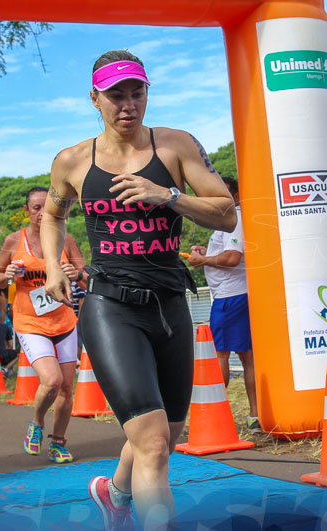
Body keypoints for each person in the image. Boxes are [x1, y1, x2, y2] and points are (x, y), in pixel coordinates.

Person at [42, 50, 236, 530]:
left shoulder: (175, 146)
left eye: (137, 92)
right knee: (151, 445)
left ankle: (114, 492)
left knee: (165, 437)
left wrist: (168, 195)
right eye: (115, 95)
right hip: (110, 307)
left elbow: (225, 213)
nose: (127, 105)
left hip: (170, 304)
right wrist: (53, 266)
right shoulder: (72, 161)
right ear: (95, 99)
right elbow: (52, 214)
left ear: (147, 93)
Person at [0, 186, 87, 465]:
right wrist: (7, 274)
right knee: (52, 380)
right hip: (30, 322)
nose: (43, 212)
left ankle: (58, 443)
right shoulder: (13, 241)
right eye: (36, 207)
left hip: (65, 321)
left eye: (48, 206)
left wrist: (76, 272)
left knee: (67, 388)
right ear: (27, 211)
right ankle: (36, 423)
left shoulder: (66, 240)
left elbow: (86, 277)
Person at [187, 176, 259, 431]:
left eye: (225, 193)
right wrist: (207, 255)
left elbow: (231, 258)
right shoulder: (228, 221)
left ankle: (214, 417)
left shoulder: (235, 220)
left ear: (237, 195)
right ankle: (254, 414)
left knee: (219, 354)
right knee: (247, 356)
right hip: (235, 294)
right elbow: (228, 255)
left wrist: (202, 262)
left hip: (232, 295)